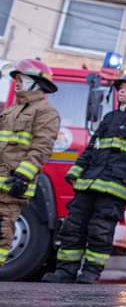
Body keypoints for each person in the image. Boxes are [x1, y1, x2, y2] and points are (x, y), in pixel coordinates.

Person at [42, 70, 126, 284]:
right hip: (89, 183)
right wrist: (76, 172)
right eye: (120, 88)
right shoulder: (110, 118)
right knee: (72, 226)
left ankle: (90, 273)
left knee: (100, 230)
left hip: (115, 187)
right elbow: (91, 148)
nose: (122, 91)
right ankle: (66, 272)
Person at [0, 59, 60, 267]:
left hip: (13, 183)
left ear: (37, 83)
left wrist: (23, 176)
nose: (16, 82)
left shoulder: (46, 112)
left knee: (2, 227)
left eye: (21, 78)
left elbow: (42, 147)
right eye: (16, 78)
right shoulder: (9, 110)